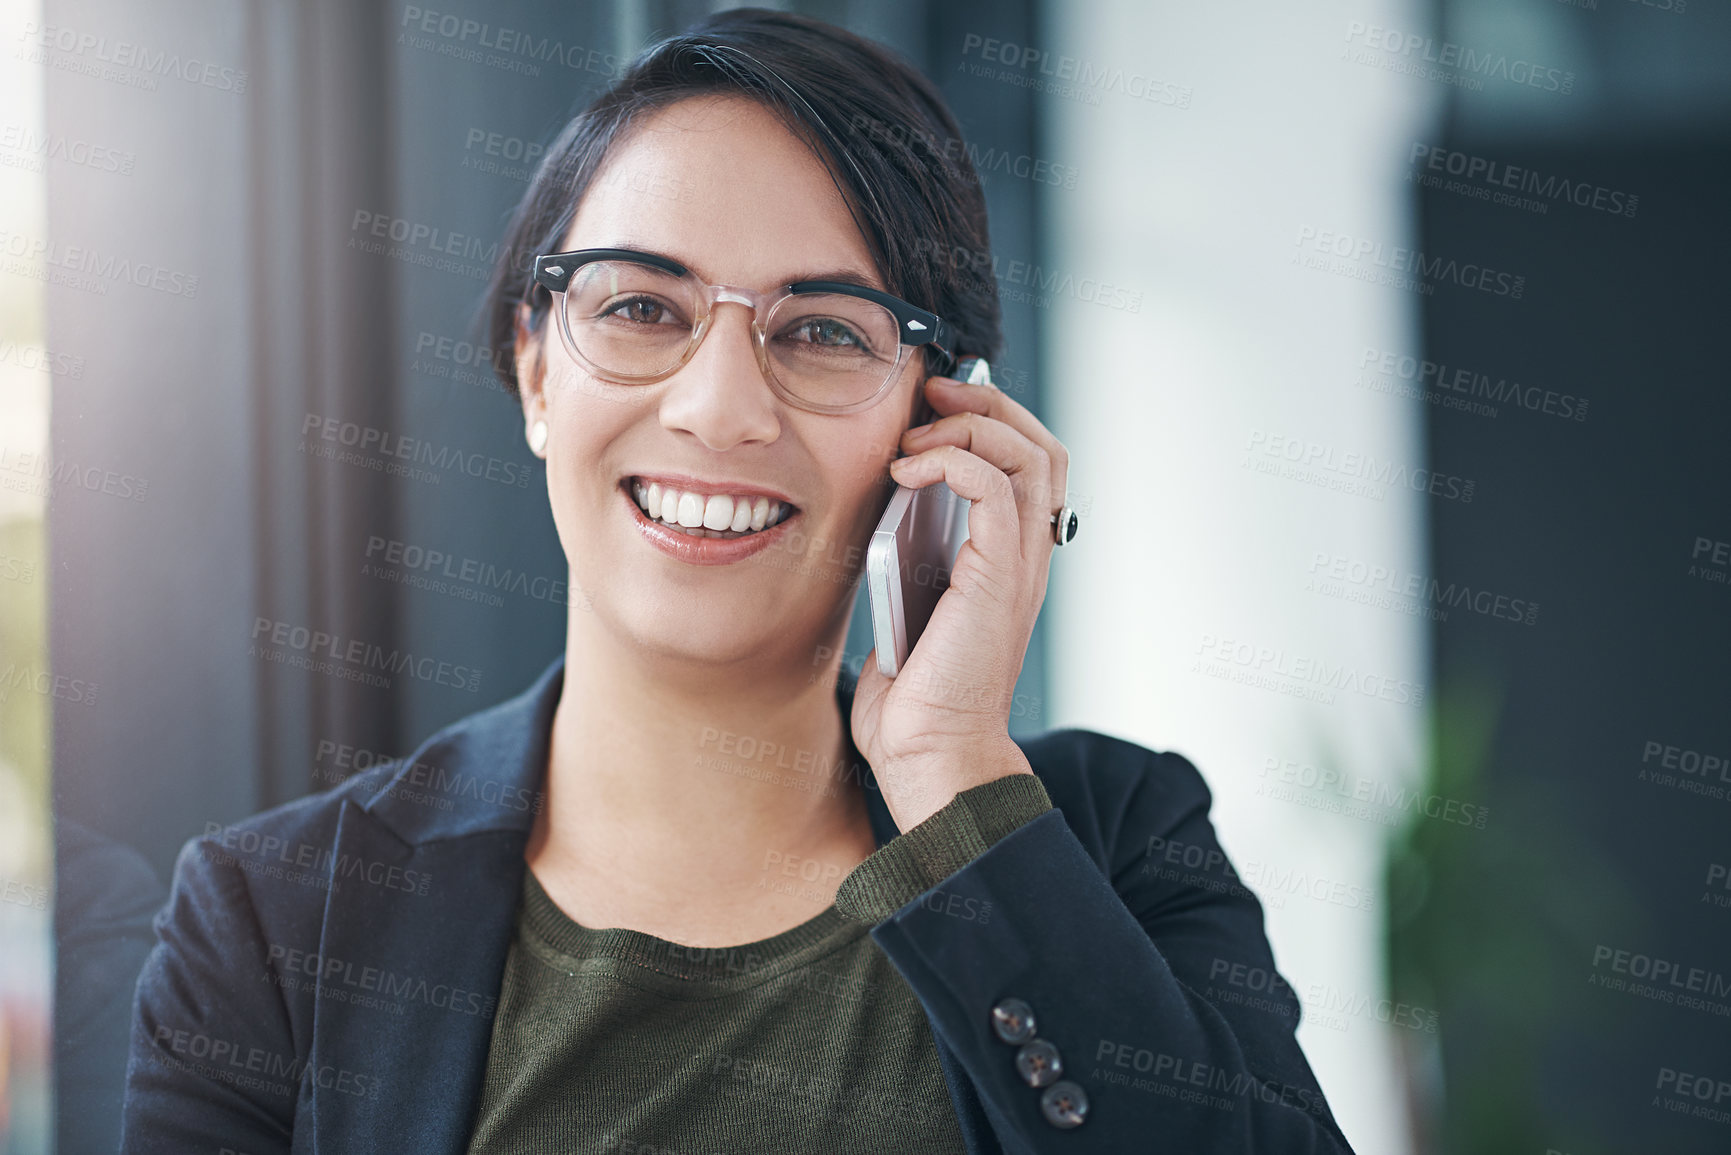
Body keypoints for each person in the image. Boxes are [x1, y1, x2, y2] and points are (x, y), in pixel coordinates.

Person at [121, 9, 1355, 1153]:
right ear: (537, 370)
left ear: (945, 422)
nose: (718, 409)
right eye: (643, 307)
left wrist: (954, 777)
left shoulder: (1111, 844)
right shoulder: (274, 924)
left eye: (823, 330)